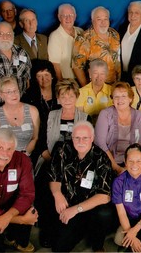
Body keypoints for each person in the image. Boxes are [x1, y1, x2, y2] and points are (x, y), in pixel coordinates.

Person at [34, 79, 89, 248]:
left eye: (71, 96)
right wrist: (49, 157)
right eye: (63, 96)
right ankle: (47, 229)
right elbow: (41, 142)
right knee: (45, 187)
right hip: (51, 160)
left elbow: (87, 143)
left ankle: (66, 228)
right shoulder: (51, 115)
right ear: (58, 98)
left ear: (76, 97)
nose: (67, 99)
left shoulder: (85, 117)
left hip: (74, 163)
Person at [47, 121, 117, 252]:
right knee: (59, 247)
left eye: (85, 138)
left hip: (91, 208)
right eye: (77, 137)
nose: (81, 141)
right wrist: (57, 194)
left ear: (92, 138)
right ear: (72, 138)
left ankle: (98, 245)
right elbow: (54, 177)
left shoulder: (101, 157)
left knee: (104, 213)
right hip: (68, 205)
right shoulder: (62, 150)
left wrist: (76, 209)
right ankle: (79, 231)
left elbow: (104, 196)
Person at [0, 128, 38, 252]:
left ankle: (15, 239)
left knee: (29, 209)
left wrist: (7, 216)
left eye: (9, 149)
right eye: (0, 148)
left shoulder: (23, 160)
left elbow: (27, 194)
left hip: (6, 202)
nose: (5, 154)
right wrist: (22, 220)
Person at [0, 22, 31, 152]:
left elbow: (27, 81)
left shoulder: (22, 53)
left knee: (17, 145)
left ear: (13, 35)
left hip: (17, 107)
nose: (5, 37)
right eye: (1, 34)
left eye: (8, 34)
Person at [95, 81, 141, 176]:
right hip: (108, 160)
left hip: (133, 162)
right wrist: (116, 167)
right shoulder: (105, 114)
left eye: (123, 96)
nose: (120, 100)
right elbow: (100, 143)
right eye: (116, 96)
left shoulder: (139, 116)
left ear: (130, 98)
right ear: (112, 99)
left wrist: (132, 167)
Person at [22, 60, 61, 162]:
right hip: (36, 144)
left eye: (47, 74)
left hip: (58, 141)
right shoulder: (28, 98)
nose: (44, 79)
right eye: (40, 76)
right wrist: (42, 150)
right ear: (35, 78)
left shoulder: (60, 93)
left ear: (52, 75)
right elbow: (28, 129)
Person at [0, 76, 39, 155]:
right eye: (9, 92)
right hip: (4, 158)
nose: (14, 94)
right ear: (1, 95)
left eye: (15, 90)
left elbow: (35, 138)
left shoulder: (32, 110)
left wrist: (24, 156)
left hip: (27, 157)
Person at [72, 6, 121, 86]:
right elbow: (77, 67)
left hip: (116, 86)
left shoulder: (115, 34)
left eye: (105, 19)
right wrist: (87, 88)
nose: (103, 22)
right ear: (92, 21)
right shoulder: (84, 39)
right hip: (96, 88)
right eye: (99, 19)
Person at [48, 3, 83, 80]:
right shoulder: (55, 36)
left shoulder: (81, 32)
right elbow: (55, 64)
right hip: (68, 82)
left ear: (75, 16)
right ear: (59, 17)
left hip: (83, 79)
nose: (68, 18)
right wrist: (61, 84)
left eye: (71, 15)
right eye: (64, 16)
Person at [76, 59, 113, 123]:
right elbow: (80, 117)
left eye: (102, 73)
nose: (99, 77)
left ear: (106, 75)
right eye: (95, 73)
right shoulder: (81, 92)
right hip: (87, 126)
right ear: (90, 74)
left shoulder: (112, 91)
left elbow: (113, 115)